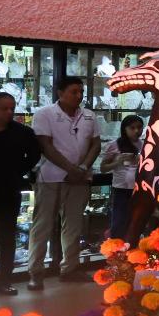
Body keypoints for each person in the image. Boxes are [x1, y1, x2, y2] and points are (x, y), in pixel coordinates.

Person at [29, 77, 100, 288]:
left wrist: (83, 169)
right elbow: (46, 146)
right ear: (60, 93)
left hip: (79, 179)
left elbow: (95, 144)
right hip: (50, 178)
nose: (79, 96)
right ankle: (36, 273)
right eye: (74, 92)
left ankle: (70, 268)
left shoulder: (89, 115)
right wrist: (72, 169)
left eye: (81, 92)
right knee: (42, 226)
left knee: (74, 226)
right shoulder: (44, 114)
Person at [0, 93, 43, 295]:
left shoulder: (22, 132)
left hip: (9, 190)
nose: (10, 112)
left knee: (7, 238)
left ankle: (3, 281)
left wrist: (19, 170)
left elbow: (34, 154)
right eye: (4, 108)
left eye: (12, 108)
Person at [99, 115, 144, 242]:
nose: (136, 131)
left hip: (139, 189)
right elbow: (103, 168)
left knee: (136, 221)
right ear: (124, 129)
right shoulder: (114, 145)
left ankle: (133, 249)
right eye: (132, 128)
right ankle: (116, 250)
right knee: (119, 221)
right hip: (121, 189)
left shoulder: (144, 145)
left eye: (139, 127)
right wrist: (118, 162)